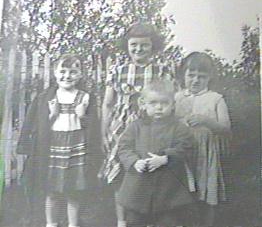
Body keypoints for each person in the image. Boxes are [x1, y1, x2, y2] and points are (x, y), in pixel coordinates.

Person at [99, 22, 172, 227]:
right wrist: (104, 131)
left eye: (144, 45)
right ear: (127, 46)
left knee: (150, 173)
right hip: (121, 128)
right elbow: (107, 103)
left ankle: (149, 219)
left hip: (152, 127)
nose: (138, 49)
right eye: (134, 45)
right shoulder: (119, 70)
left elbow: (169, 101)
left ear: (153, 46)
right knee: (121, 174)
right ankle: (122, 221)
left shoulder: (162, 69)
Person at [17, 54, 91, 227]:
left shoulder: (84, 97)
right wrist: (53, 114)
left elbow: (91, 126)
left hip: (75, 145)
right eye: (63, 71)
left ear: (80, 75)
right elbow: (40, 126)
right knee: (52, 190)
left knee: (73, 189)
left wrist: (82, 116)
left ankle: (73, 224)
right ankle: (51, 223)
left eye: (73, 72)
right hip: (54, 145)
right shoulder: (47, 98)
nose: (67, 76)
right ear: (54, 73)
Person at [117, 80, 196, 227]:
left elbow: (187, 146)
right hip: (138, 187)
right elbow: (123, 147)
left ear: (172, 105)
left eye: (164, 103)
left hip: (168, 190)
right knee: (135, 221)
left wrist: (166, 158)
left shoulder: (178, 127)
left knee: (168, 222)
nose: (159, 107)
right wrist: (134, 161)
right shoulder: (136, 126)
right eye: (153, 103)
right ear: (143, 104)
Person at [175, 51, 232, 226]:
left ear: (209, 78)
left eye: (201, 76)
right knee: (183, 192)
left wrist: (207, 121)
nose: (196, 80)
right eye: (191, 75)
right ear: (183, 75)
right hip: (183, 154)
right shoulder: (177, 98)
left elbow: (225, 127)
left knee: (208, 192)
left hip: (206, 155)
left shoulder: (215, 99)